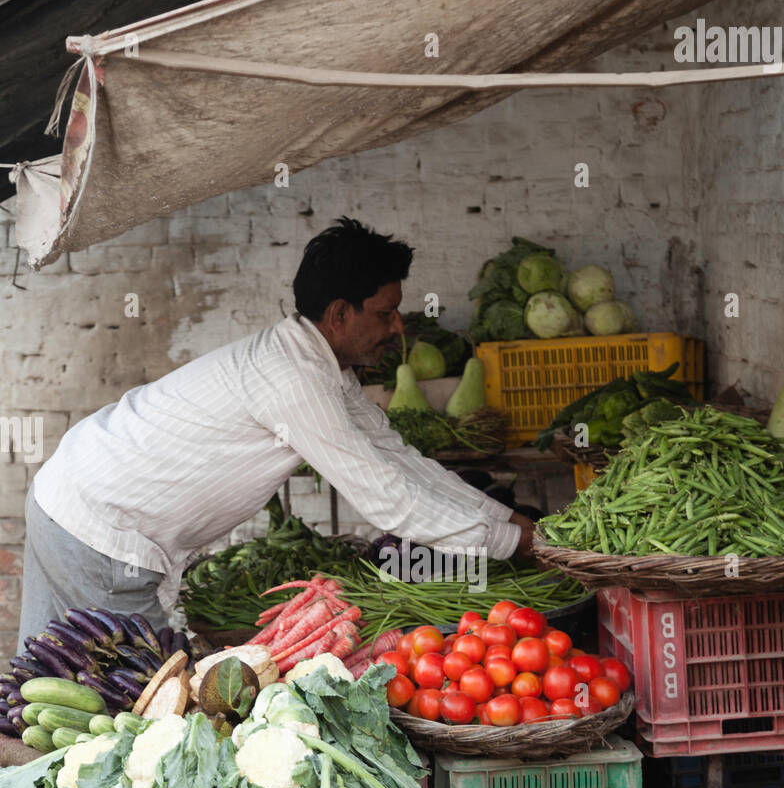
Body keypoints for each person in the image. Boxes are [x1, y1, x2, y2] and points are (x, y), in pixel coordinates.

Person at [18, 218, 534, 650]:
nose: (397, 327)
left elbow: (401, 461)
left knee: (47, 686)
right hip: (99, 531)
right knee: (130, 704)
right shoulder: (294, 379)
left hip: (70, 494)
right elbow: (389, 501)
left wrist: (508, 520)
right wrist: (513, 543)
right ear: (338, 314)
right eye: (384, 313)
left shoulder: (321, 367)